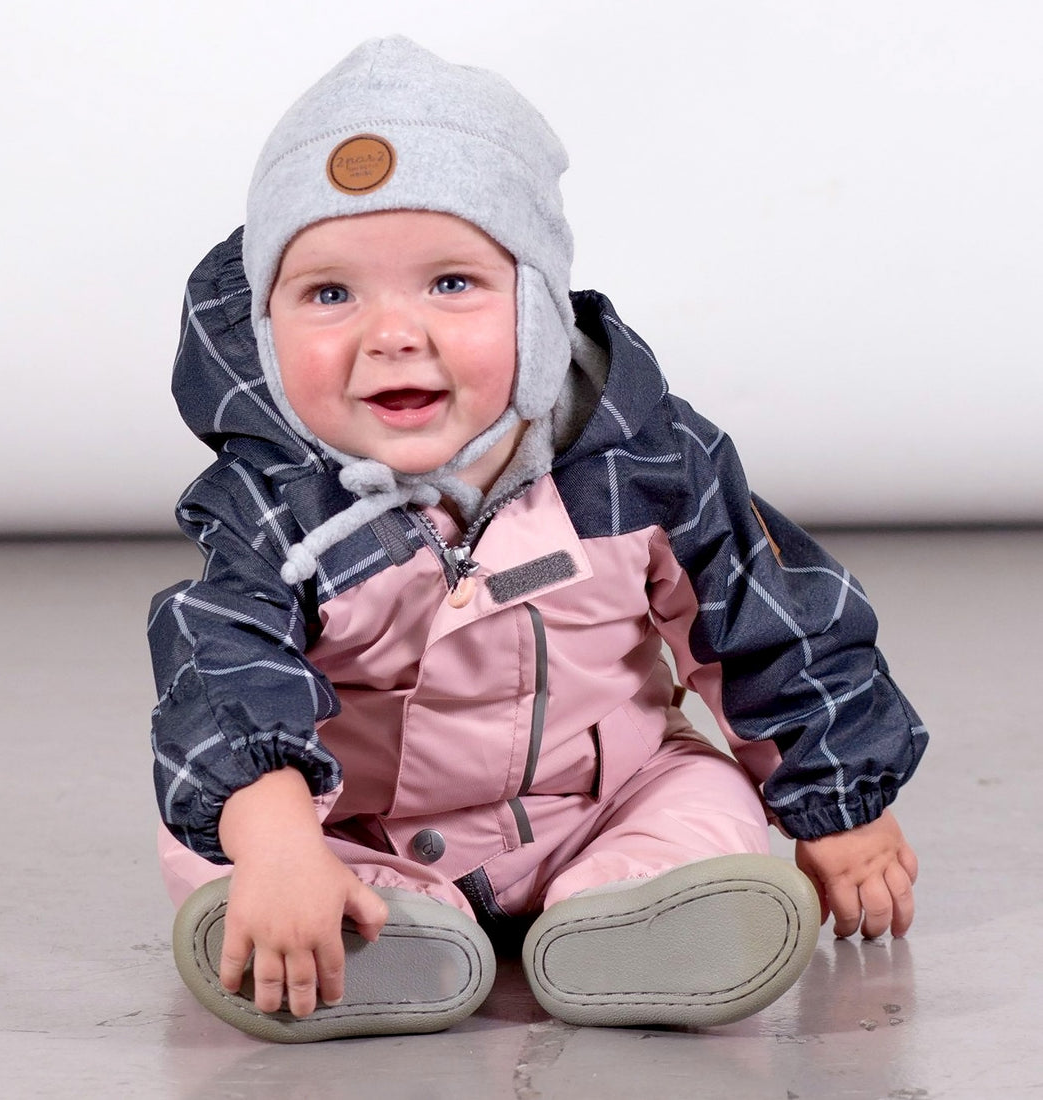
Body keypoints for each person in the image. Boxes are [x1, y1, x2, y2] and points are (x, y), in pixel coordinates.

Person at [149, 36, 927, 1043]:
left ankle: (632, 908)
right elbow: (224, 673)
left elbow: (768, 620)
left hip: (602, 794)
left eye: (451, 284)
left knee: (696, 798)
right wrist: (276, 838)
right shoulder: (271, 505)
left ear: (540, 304)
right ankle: (355, 918)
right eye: (329, 294)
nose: (392, 333)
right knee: (237, 839)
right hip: (354, 822)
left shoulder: (641, 460)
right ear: (264, 329)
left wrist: (840, 803)